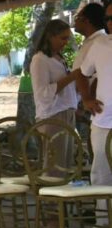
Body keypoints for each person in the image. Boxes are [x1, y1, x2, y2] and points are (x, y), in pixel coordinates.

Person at [73, 2, 112, 228]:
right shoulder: (100, 45)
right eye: (108, 17)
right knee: (101, 175)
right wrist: (86, 98)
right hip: (104, 122)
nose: (110, 21)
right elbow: (80, 73)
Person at [29, 19, 80, 176]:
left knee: (65, 164)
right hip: (53, 115)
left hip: (66, 113)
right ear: (51, 36)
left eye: (67, 38)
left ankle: (61, 198)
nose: (65, 42)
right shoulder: (40, 60)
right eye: (62, 38)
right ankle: (51, 199)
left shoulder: (59, 57)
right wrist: (71, 78)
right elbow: (43, 93)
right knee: (54, 165)